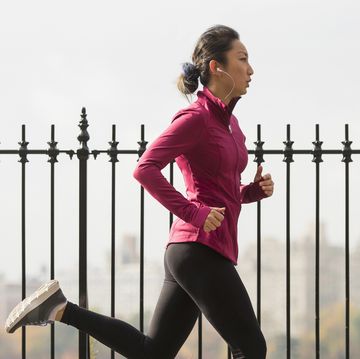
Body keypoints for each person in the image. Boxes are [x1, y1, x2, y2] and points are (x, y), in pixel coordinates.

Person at [5, 24, 274, 359]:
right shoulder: (195, 118)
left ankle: (60, 309)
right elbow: (144, 168)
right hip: (197, 249)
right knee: (250, 346)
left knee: (154, 352)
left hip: (198, 251)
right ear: (216, 67)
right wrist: (194, 213)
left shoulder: (231, 124)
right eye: (242, 58)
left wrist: (250, 192)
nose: (250, 69)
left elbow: (219, 188)